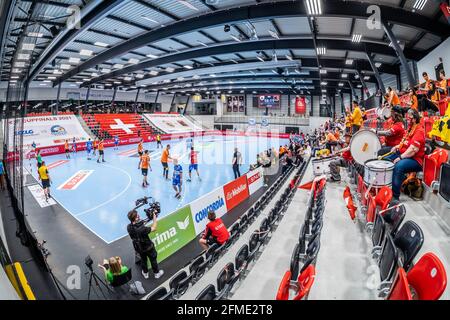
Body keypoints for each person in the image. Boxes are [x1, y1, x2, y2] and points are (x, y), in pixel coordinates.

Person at [385, 108, 425, 201]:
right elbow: (405, 142)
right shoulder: (410, 129)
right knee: (387, 160)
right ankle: (390, 186)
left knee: (398, 166)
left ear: (414, 119)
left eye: (409, 118)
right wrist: (397, 146)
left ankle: (395, 196)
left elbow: (413, 150)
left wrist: (400, 157)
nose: (407, 119)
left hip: (415, 160)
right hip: (405, 154)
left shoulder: (419, 130)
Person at [127, 210, 164, 279]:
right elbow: (154, 228)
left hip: (139, 248)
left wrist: (144, 221)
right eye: (137, 215)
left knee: (143, 260)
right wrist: (154, 217)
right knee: (153, 260)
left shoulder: (129, 227)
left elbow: (138, 224)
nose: (139, 216)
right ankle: (156, 273)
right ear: (135, 218)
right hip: (148, 247)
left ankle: (145, 273)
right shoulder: (142, 229)